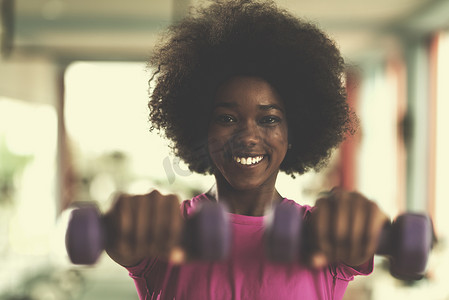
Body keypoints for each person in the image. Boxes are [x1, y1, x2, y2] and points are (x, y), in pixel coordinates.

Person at [104, 0, 389, 299]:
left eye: (268, 119)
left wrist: (365, 222)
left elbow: (364, 244)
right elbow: (118, 240)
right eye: (227, 118)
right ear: (203, 129)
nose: (248, 136)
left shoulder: (323, 237)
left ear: (293, 133)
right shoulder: (164, 235)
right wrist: (119, 219)